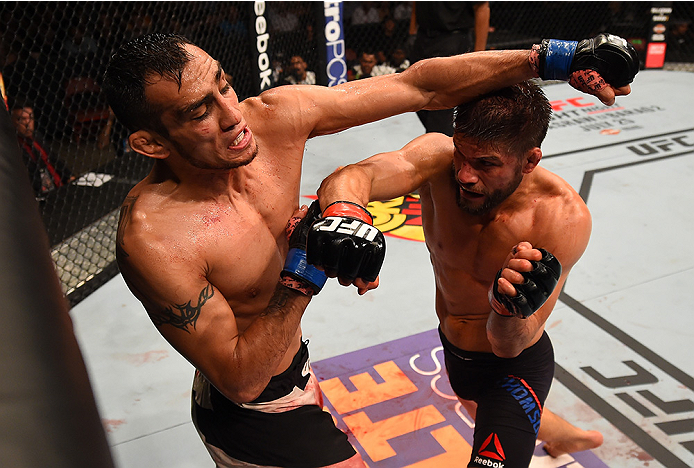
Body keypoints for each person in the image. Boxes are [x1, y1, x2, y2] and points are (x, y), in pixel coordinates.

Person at [101, 31, 636, 468]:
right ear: (151, 143)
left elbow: (419, 86)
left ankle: (558, 434)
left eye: (225, 85)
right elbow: (241, 378)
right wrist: (308, 261)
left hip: (294, 363)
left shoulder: (273, 116)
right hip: (253, 409)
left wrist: (553, 58)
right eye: (199, 112)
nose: (232, 114)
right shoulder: (154, 239)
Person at [312, 80, 618, 467]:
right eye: (461, 155)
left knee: (497, 416)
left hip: (513, 362)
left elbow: (512, 344)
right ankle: (575, 437)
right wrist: (346, 211)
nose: (465, 175)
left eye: (486, 164)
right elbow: (358, 176)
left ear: (529, 161)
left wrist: (507, 308)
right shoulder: (438, 160)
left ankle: (564, 432)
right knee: (478, 405)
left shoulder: (560, 218)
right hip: (454, 348)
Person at [409, 1, 490, 136]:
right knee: (415, 96)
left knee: (440, 108)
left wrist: (478, 55)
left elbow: (482, 8)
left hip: (451, 39)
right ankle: (446, 139)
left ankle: (441, 146)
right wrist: (412, 32)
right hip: (422, 38)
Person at [10, 98, 73, 199]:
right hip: (41, 194)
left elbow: (53, 158)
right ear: (12, 121)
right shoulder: (14, 147)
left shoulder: (37, 137)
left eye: (30, 118)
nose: (27, 123)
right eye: (21, 119)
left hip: (59, 186)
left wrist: (68, 176)